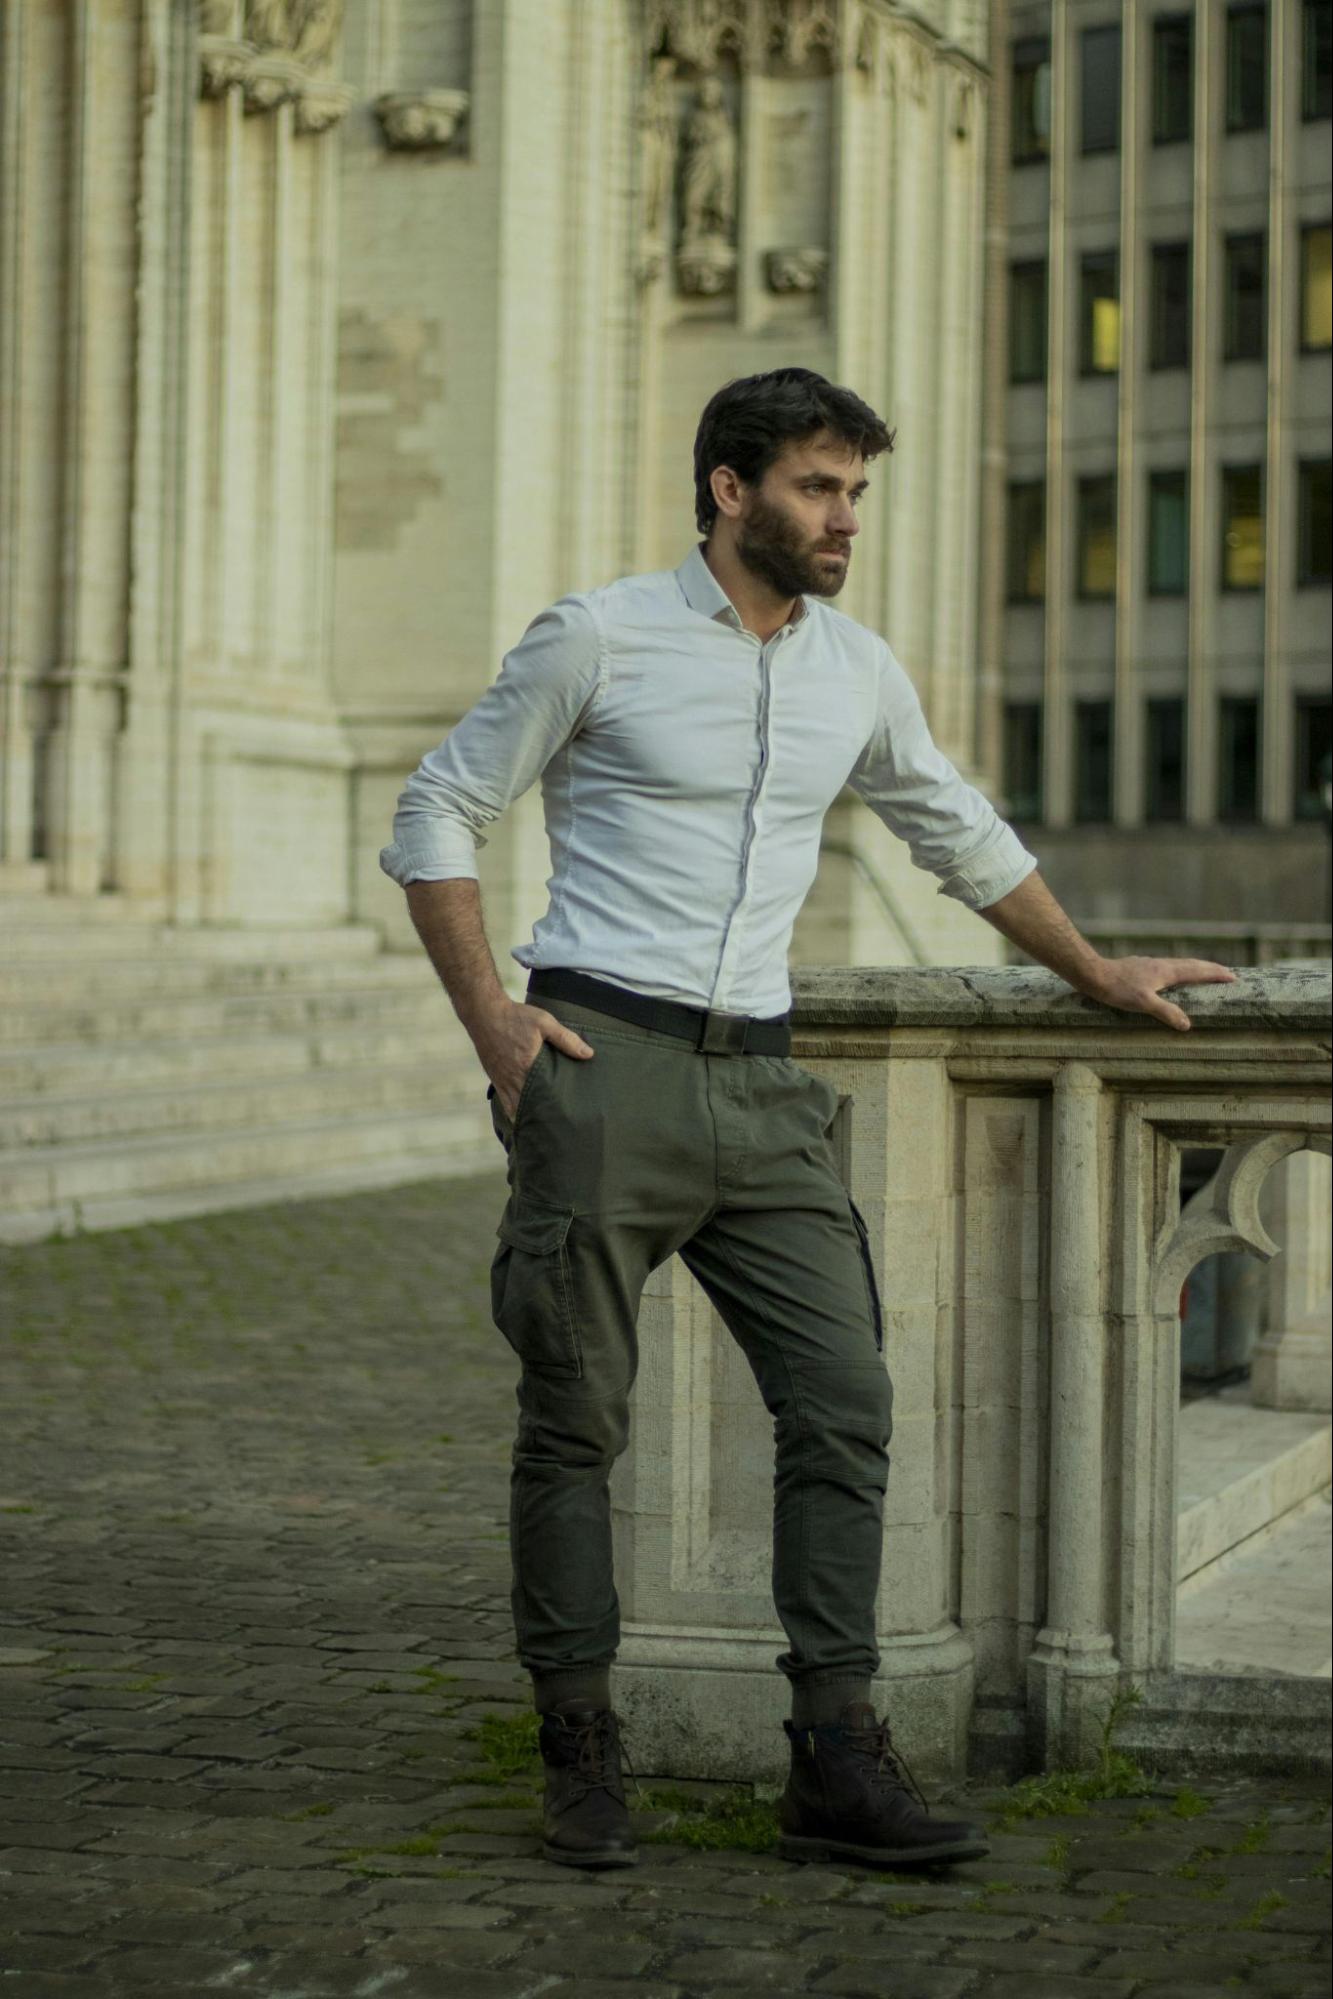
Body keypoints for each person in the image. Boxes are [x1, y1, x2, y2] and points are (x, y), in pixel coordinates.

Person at [379, 368, 1236, 1873]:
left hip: (769, 1088)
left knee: (845, 1404)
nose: (845, 520)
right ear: (730, 489)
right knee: (575, 1420)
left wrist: (1095, 970)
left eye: (854, 492)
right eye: (817, 488)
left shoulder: (855, 667)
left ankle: (833, 1757)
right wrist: (495, 1023)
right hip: (607, 1061)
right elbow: (438, 809)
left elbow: (955, 829)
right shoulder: (599, 635)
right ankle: (580, 1748)